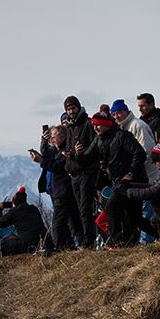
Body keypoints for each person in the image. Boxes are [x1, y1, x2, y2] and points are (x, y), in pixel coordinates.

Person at [75, 110, 148, 247]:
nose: (95, 128)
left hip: (133, 181)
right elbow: (85, 160)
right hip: (118, 182)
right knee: (134, 217)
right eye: (94, 125)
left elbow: (139, 153)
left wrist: (131, 172)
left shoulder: (122, 136)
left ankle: (116, 242)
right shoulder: (98, 140)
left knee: (112, 208)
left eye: (98, 125)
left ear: (106, 125)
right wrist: (79, 154)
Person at [30, 125, 82, 250]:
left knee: (58, 223)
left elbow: (57, 167)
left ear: (62, 137)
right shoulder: (59, 151)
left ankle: (59, 247)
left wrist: (41, 161)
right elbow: (48, 155)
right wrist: (43, 141)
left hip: (63, 191)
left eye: (53, 137)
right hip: (63, 191)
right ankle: (76, 244)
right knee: (73, 221)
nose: (51, 141)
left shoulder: (66, 151)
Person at [62, 96, 98, 249]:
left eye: (73, 108)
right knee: (80, 208)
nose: (71, 111)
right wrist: (69, 153)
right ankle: (85, 239)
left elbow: (93, 146)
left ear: (78, 107)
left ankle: (89, 241)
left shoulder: (87, 123)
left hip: (87, 170)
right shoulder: (70, 126)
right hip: (74, 172)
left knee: (85, 207)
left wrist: (78, 154)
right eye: (68, 109)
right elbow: (72, 147)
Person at [110, 98, 159, 183]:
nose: (116, 117)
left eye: (118, 113)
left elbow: (147, 150)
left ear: (125, 111)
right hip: (135, 175)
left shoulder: (138, 125)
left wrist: (132, 170)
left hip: (148, 175)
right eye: (113, 115)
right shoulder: (122, 129)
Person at [0, 187, 46, 255]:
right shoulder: (34, 209)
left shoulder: (14, 211)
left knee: (2, 243)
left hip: (25, 245)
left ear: (15, 203)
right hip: (38, 244)